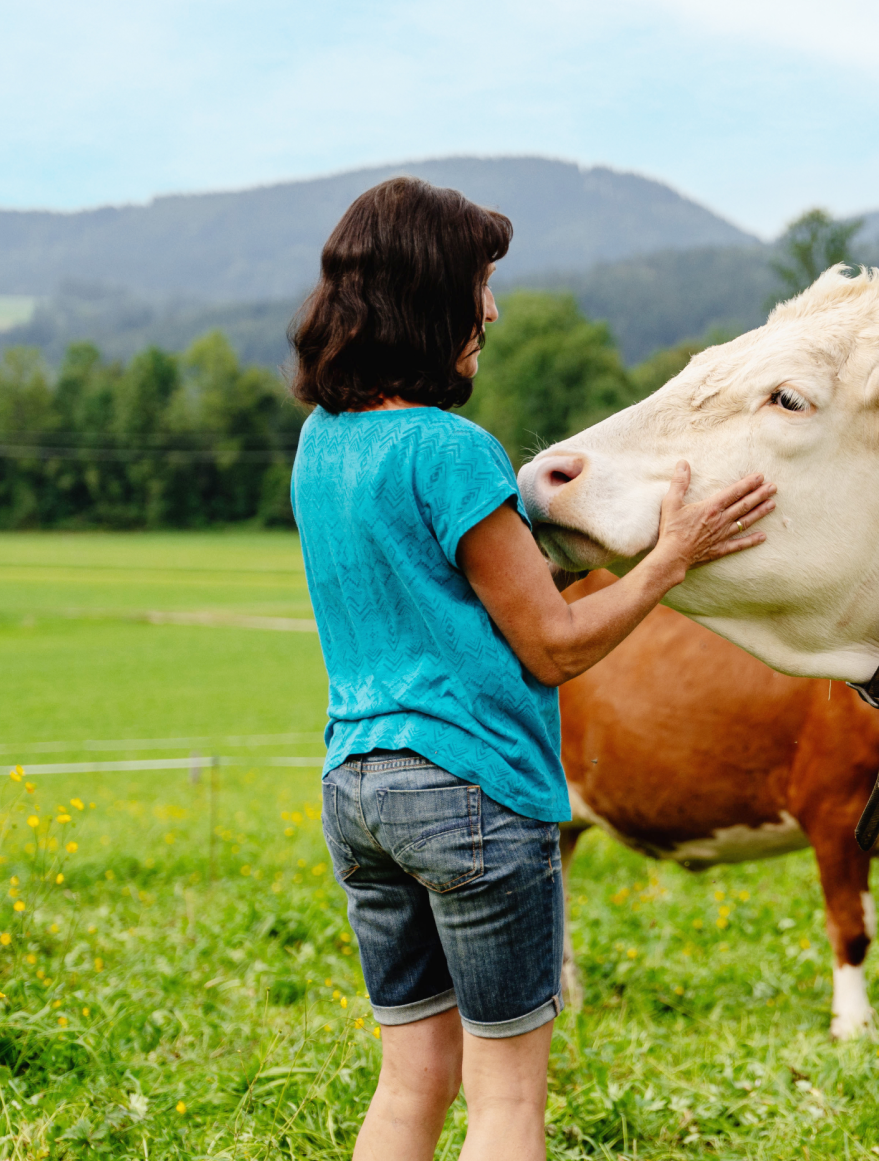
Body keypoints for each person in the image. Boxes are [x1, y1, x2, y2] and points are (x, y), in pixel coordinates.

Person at [288, 176, 776, 1161]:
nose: (493, 309)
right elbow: (553, 645)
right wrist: (672, 556)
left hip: (359, 787)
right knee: (506, 1099)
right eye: (480, 285)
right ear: (429, 296)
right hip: (469, 791)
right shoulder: (452, 450)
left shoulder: (319, 444)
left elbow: (436, 580)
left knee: (412, 1076)